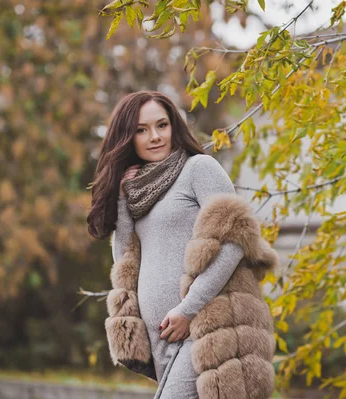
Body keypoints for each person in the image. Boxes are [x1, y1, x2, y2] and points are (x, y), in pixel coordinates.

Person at [87, 91, 278, 399]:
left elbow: (237, 241)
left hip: (207, 327)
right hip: (162, 335)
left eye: (162, 125)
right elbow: (124, 261)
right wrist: (122, 199)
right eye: (141, 129)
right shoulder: (137, 192)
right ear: (127, 137)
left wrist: (189, 310)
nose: (154, 136)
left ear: (174, 125)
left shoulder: (198, 169)